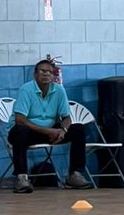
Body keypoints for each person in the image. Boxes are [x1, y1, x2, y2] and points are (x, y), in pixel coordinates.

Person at [8, 59, 90, 193]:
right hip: (28, 132)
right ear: (35, 75)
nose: (46, 74)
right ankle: (21, 178)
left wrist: (62, 130)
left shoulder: (59, 90)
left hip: (52, 133)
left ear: (53, 76)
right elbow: (20, 119)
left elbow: (66, 117)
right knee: (19, 131)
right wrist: (47, 131)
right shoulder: (26, 89)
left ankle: (74, 175)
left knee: (78, 129)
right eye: (42, 71)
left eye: (50, 72)